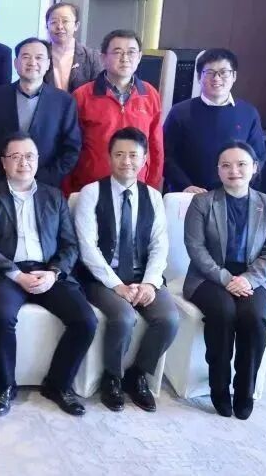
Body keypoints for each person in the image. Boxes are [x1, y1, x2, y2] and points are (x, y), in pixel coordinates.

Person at [0, 132, 97, 417]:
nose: (23, 163)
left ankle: (58, 384)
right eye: (15, 157)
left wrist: (54, 273)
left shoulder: (54, 196)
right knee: (1, 316)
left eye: (29, 156)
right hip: (7, 273)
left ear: (38, 160)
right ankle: (5, 386)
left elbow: (70, 245)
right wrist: (16, 275)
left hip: (48, 271)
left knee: (86, 320)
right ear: (4, 162)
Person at [74, 127, 179, 412]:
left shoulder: (153, 197)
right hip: (101, 278)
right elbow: (88, 248)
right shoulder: (91, 193)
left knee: (169, 319)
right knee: (123, 317)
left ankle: (138, 374)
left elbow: (159, 245)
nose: (126, 161)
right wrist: (116, 285)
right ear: (109, 157)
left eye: (133, 155)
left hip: (142, 274)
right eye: (119, 154)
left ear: (144, 159)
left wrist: (150, 283)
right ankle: (112, 377)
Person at [183, 142, 266, 420]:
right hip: (208, 276)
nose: (234, 170)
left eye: (241, 164)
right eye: (226, 165)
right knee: (223, 312)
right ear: (218, 170)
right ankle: (218, 386)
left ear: (254, 168)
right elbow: (195, 248)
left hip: (254, 278)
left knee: (254, 317)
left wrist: (248, 279)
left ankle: (244, 390)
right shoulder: (203, 203)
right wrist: (226, 279)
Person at [65, 29, 164, 194]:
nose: (125, 58)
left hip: (136, 188)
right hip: (91, 188)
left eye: (131, 52)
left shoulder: (150, 94)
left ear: (139, 57)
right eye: (117, 52)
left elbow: (156, 146)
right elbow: (70, 147)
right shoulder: (82, 96)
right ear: (103, 58)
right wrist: (70, 192)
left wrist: (151, 188)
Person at [0, 37, 81, 187]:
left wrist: (44, 179)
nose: (32, 62)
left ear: (48, 64)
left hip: (45, 187)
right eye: (26, 57)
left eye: (39, 57)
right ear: (15, 63)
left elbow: (71, 149)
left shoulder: (64, 102)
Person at [163, 48, 266, 193]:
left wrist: (240, 185)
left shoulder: (248, 113)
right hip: (189, 194)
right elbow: (166, 155)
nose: (216, 78)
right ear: (199, 77)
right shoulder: (180, 112)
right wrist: (185, 185)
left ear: (234, 76)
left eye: (224, 72)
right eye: (209, 72)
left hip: (233, 194)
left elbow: (258, 156)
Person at [41, 2, 103, 91]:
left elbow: (99, 91)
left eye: (65, 21)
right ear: (47, 26)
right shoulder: (40, 55)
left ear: (76, 26)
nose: (60, 26)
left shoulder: (92, 57)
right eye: (54, 22)